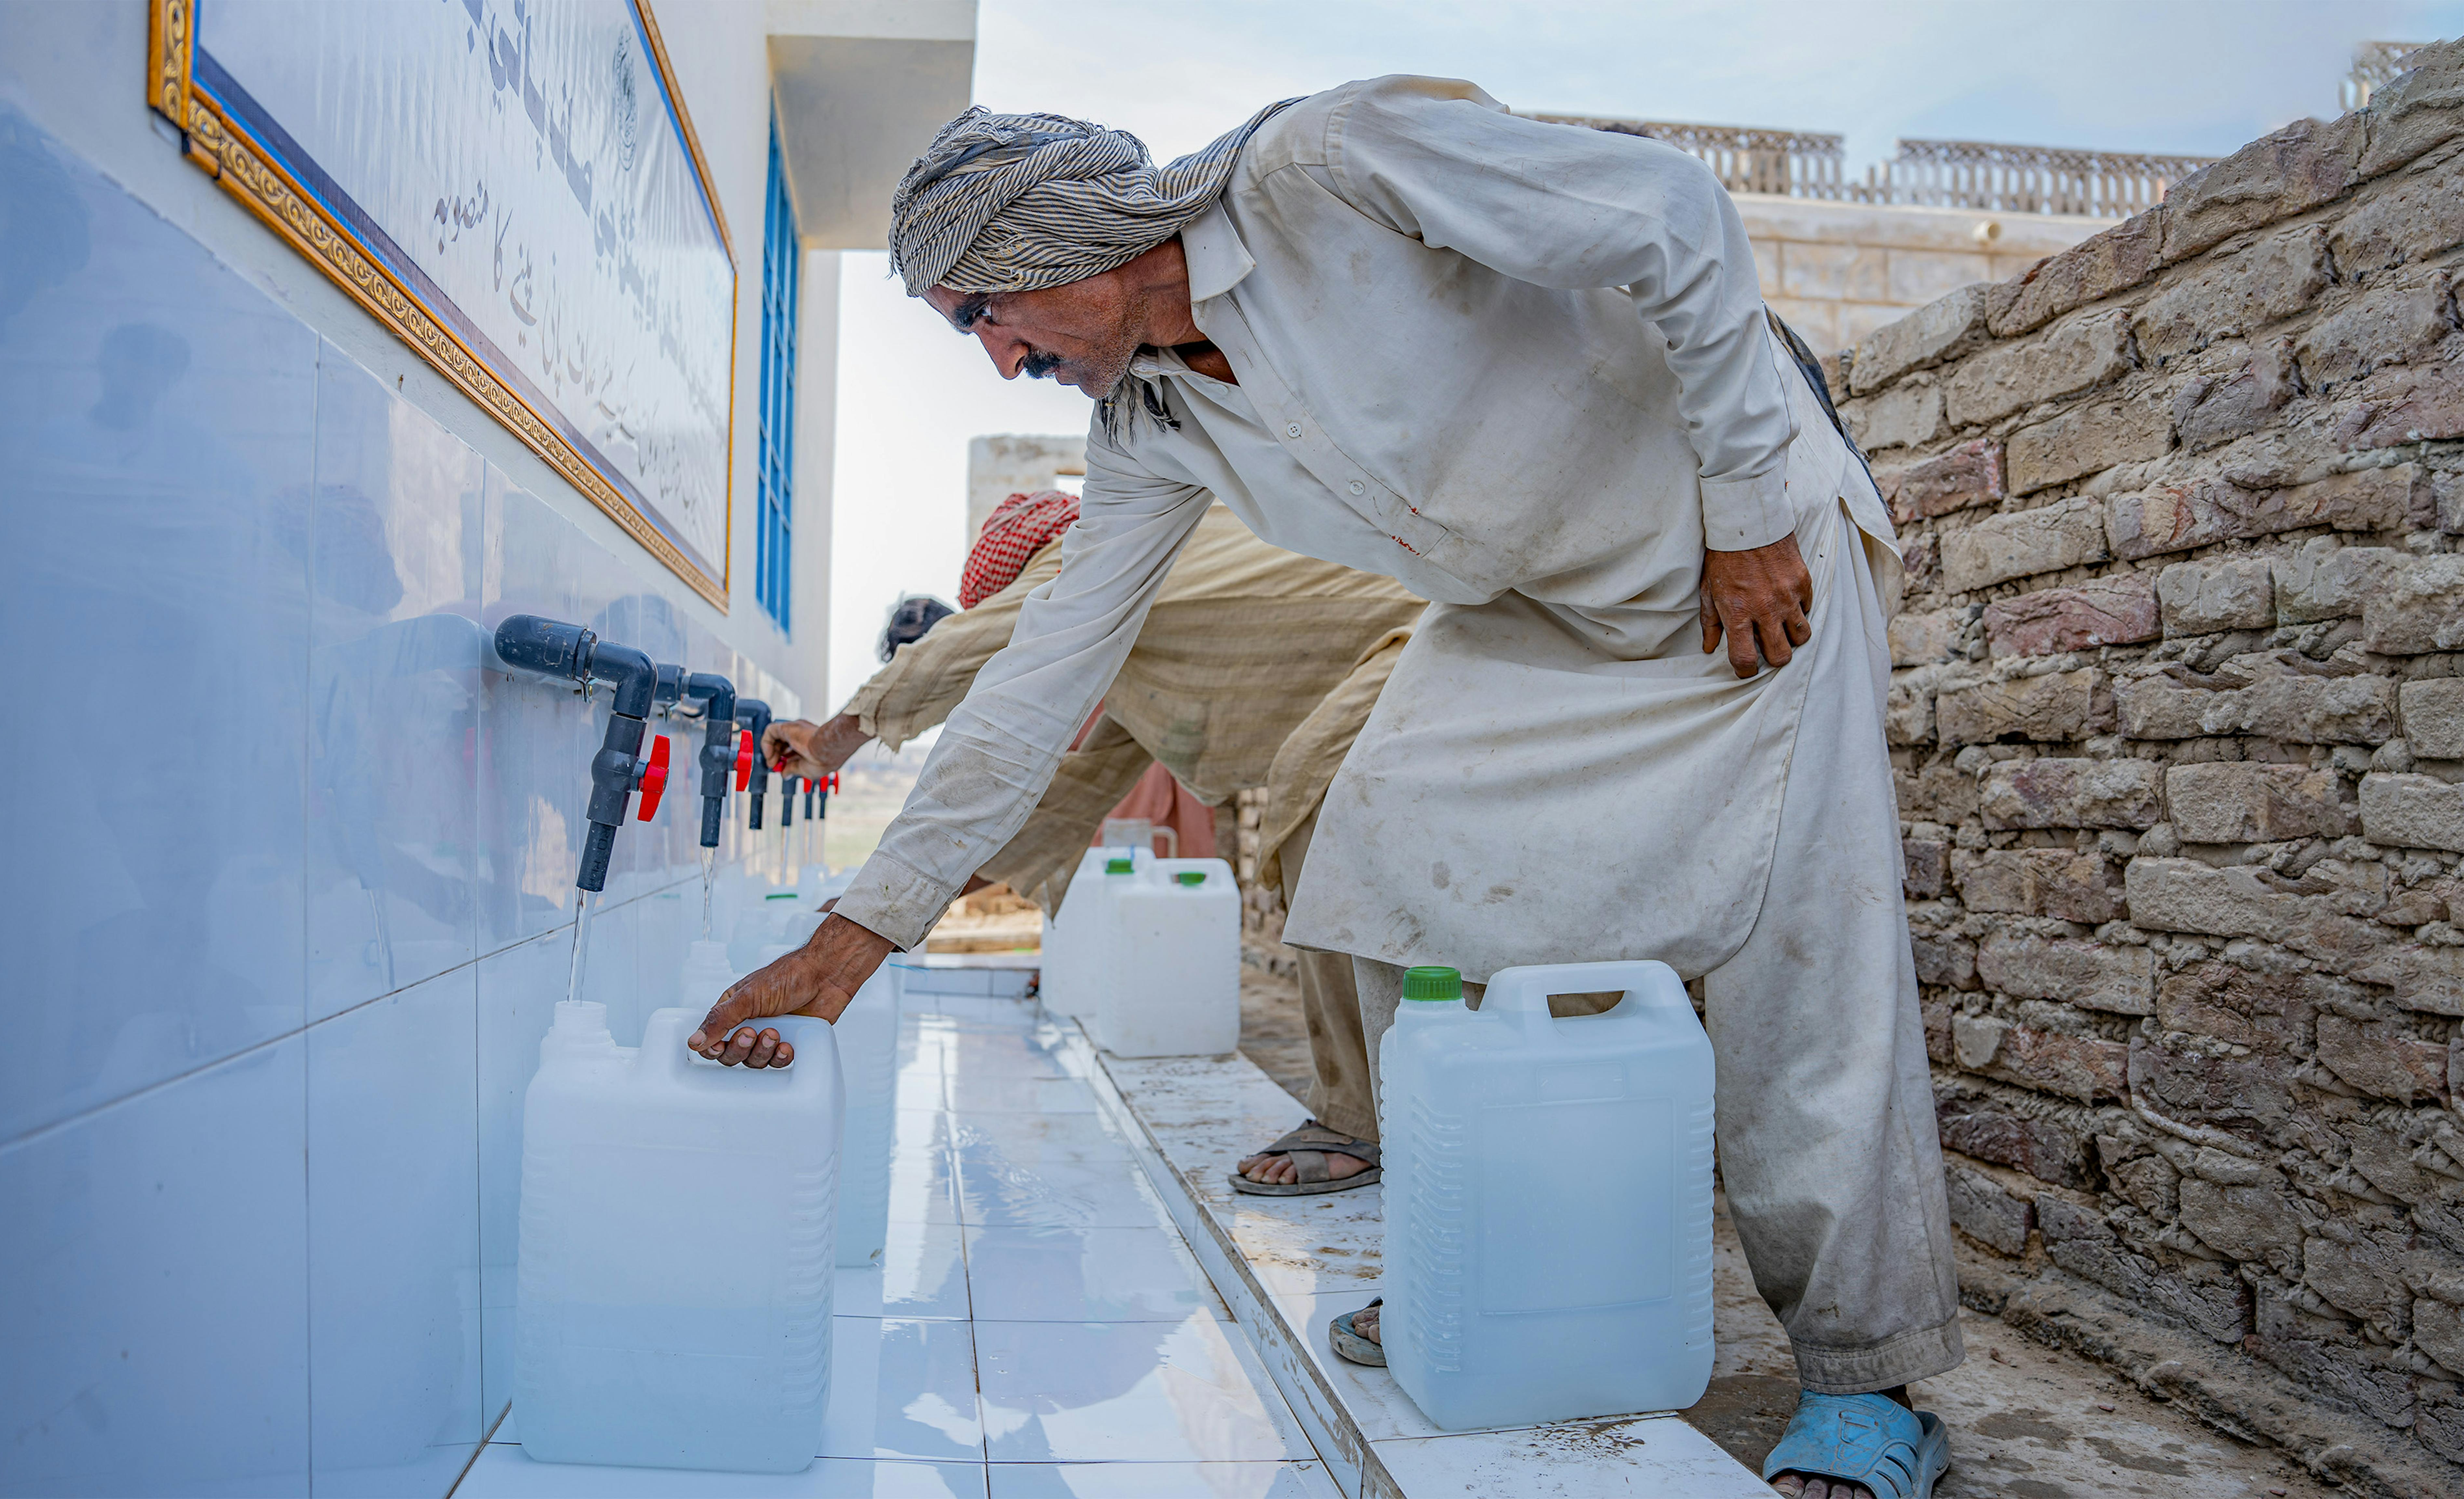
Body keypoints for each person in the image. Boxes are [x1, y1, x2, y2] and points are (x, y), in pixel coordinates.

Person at [690, 77, 1958, 1499]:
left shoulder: (1324, 167)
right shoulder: (1149, 429)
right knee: (1374, 853)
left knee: (1798, 950)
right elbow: (1032, 680)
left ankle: (1866, 1379)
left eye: (986, 314)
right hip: (1536, 612)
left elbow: (1668, 218)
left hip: (1740, 554)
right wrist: (853, 940)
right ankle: (1496, 1275)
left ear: (1061, 244)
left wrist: (1745, 512)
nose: (996, 361)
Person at [770, 486, 1422, 1193]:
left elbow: (947, 652)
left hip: (1423, 646)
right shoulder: (1143, 633)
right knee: (1330, 848)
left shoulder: (1094, 559)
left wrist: (827, 741)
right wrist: (887, 904)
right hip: (1407, 659)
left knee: (1313, 830)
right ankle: (1405, 1106)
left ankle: (1363, 1121)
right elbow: (1063, 802)